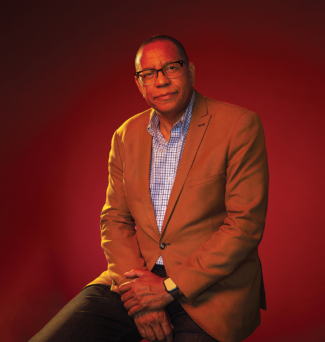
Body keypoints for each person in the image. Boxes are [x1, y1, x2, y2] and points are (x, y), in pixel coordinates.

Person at [30, 35, 268, 342]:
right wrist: (140, 299)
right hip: (137, 277)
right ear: (139, 83)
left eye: (171, 67)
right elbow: (115, 219)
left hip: (211, 288)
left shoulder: (239, 126)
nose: (161, 81)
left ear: (190, 71)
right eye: (149, 74)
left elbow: (244, 226)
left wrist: (167, 289)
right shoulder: (125, 135)